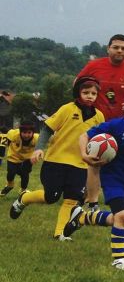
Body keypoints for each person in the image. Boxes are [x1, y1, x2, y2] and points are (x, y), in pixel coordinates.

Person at [62, 84, 124, 270]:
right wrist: (85, 155)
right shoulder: (116, 125)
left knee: (118, 219)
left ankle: (82, 218)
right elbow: (84, 136)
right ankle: (119, 260)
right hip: (113, 178)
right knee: (123, 216)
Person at [8, 77, 104, 240]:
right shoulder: (67, 109)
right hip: (56, 161)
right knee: (50, 197)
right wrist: (39, 149)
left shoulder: (99, 116)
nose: (90, 96)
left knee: (71, 199)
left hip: (80, 164)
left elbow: (100, 139)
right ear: (78, 93)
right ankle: (24, 198)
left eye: (93, 93)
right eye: (85, 92)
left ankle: (59, 233)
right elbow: (47, 129)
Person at [75, 34, 124, 207]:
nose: (119, 51)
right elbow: (77, 85)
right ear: (108, 48)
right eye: (116, 47)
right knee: (95, 159)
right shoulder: (94, 66)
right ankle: (91, 200)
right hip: (97, 122)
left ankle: (121, 194)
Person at [0, 121, 39, 197]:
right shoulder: (13, 134)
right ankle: (9, 185)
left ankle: (23, 190)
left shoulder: (37, 138)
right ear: (20, 132)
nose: (26, 135)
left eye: (29, 132)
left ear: (33, 133)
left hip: (27, 159)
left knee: (25, 174)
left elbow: (52, 140)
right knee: (10, 173)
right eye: (24, 132)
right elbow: (5, 130)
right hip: (13, 157)